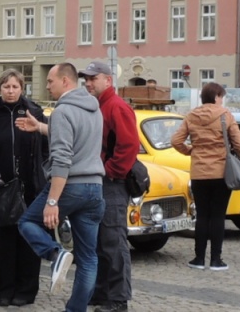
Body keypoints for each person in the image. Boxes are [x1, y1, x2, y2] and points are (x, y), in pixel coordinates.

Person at [15, 63, 105, 312]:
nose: (47, 86)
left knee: (27, 222)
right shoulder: (94, 110)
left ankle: (56, 254)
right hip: (95, 188)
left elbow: (63, 158)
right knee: (88, 258)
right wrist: (41, 128)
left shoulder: (63, 111)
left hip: (70, 186)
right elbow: (77, 139)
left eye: (50, 81)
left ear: (65, 81)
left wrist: (53, 201)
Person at [0, 69, 48, 307]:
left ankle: (26, 290)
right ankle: (4, 291)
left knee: (28, 240)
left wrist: (43, 174)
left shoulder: (34, 113)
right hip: (2, 189)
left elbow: (47, 149)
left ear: (22, 88)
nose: (11, 91)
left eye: (15, 86)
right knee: (5, 242)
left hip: (31, 187)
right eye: (6, 87)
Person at [80, 61, 139, 312]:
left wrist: (112, 171)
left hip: (112, 183)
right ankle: (103, 293)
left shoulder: (116, 107)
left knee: (113, 242)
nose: (88, 83)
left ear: (108, 80)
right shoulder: (99, 106)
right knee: (101, 241)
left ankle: (118, 300)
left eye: (93, 79)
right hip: (101, 180)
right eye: (87, 79)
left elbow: (129, 146)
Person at [170, 82, 240, 271]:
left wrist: (190, 151)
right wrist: (235, 153)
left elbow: (175, 140)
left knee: (202, 215)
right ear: (217, 97)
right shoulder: (225, 115)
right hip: (221, 173)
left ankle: (198, 258)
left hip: (198, 173)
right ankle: (216, 260)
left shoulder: (191, 116)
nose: (222, 100)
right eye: (222, 96)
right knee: (218, 215)